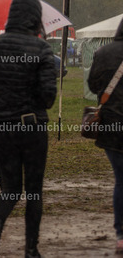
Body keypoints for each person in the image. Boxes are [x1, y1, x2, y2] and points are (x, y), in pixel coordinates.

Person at [0, 0, 57, 258]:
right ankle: (31, 250)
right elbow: (48, 97)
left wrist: (4, 96)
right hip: (32, 126)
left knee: (10, 189)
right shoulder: (42, 49)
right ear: (35, 17)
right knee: (34, 191)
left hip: (2, 126)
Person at [88, 18, 123, 255]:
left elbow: (93, 86)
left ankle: (121, 234)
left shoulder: (103, 53)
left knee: (121, 180)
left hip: (111, 127)